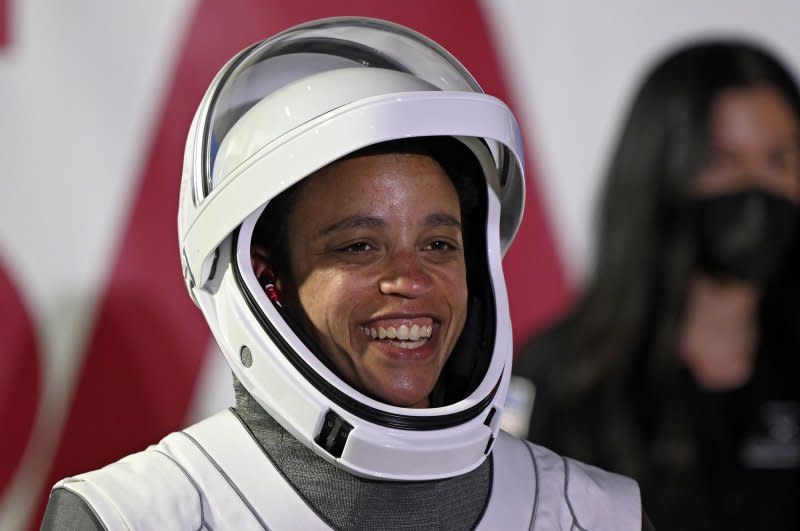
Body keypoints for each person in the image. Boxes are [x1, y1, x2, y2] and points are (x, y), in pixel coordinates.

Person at [41, 17, 650, 530]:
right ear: (266, 281)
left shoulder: (598, 516)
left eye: (438, 243)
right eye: (360, 246)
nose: (410, 280)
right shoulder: (130, 518)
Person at [512, 38, 800, 531]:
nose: (756, 188)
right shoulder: (560, 382)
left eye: (779, 159)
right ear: (661, 171)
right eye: (721, 161)